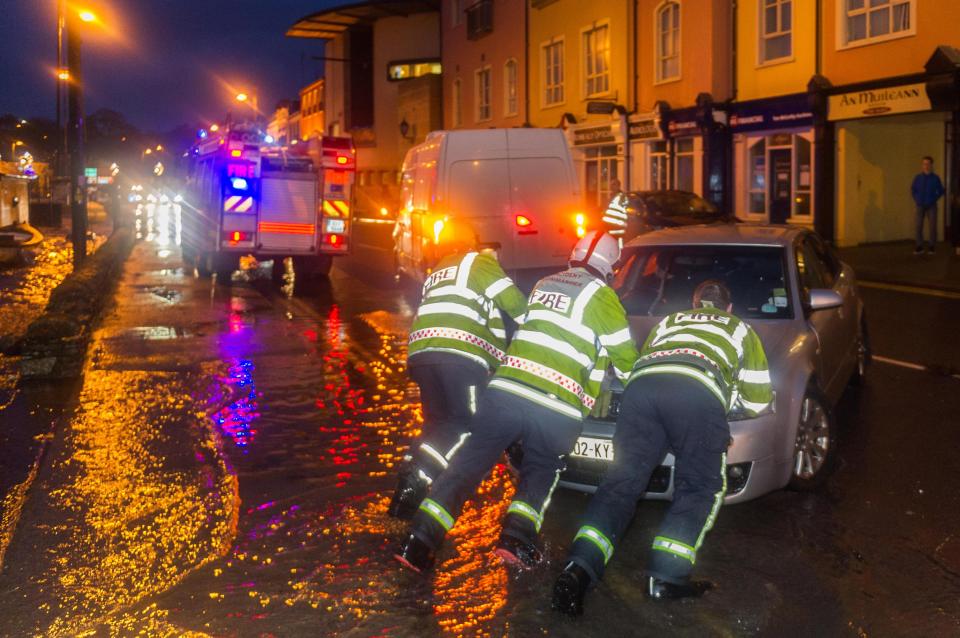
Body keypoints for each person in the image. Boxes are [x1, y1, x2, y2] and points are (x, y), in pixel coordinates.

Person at [395, 231, 639, 573]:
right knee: (540, 469)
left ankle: (419, 541)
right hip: (557, 405)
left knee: (467, 465)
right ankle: (516, 540)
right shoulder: (603, 297)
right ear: (611, 268)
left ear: (574, 255)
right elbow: (626, 360)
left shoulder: (545, 282)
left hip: (506, 392)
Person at [552, 280, 773, 615]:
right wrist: (720, 411)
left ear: (696, 304)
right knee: (699, 487)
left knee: (620, 485)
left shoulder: (670, 321)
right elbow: (757, 399)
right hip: (697, 392)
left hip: (641, 391)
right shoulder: (740, 327)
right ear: (728, 307)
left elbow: (645, 365)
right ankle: (666, 577)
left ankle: (578, 568)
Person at [387, 219, 527, 519]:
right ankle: (419, 479)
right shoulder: (478, 263)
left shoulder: (438, 270)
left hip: (422, 355)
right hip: (460, 357)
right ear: (473, 244)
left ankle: (406, 491)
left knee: (437, 425)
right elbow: (517, 306)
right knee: (468, 425)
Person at [911, 156, 945, 255]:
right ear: (922, 165)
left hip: (931, 206)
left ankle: (931, 246)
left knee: (932, 227)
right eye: (924, 164)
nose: (925, 166)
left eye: (928, 164)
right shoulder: (918, 178)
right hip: (920, 205)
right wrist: (917, 199)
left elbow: (941, 190)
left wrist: (934, 198)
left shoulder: (935, 178)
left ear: (931, 165)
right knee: (918, 226)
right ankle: (919, 246)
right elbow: (913, 190)